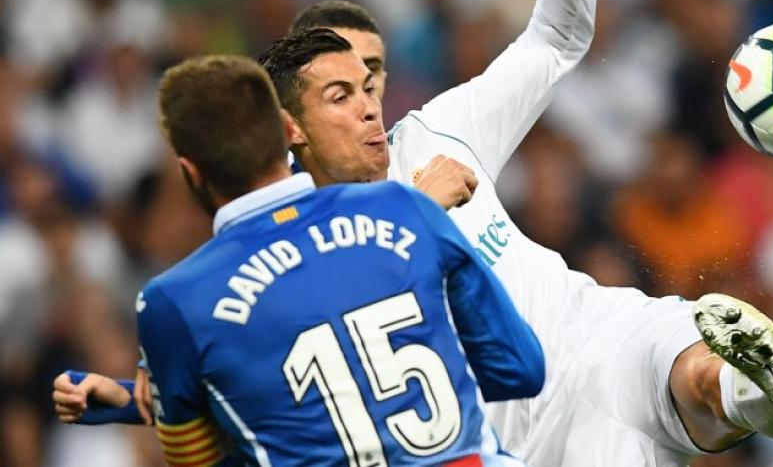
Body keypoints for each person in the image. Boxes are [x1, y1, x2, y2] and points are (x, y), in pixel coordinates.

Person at [54, 0, 773, 466]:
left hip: (598, 336)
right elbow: (255, 385)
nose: (369, 108)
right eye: (342, 94)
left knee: (695, 370)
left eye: (372, 85)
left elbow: (551, 44)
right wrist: (128, 399)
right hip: (520, 438)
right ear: (290, 127)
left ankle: (760, 396)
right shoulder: (301, 253)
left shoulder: (436, 134)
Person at [61, 48, 545, 466]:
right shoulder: (408, 205)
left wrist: (148, 403)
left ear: (190, 169)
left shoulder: (173, 302)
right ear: (286, 129)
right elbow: (518, 368)